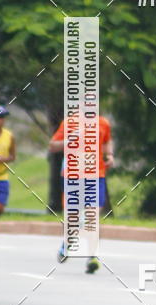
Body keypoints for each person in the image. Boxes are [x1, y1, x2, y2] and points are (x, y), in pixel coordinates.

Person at [49, 114, 114, 274]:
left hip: (96, 175)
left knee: (93, 217)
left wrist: (110, 155)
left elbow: (106, 142)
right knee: (74, 218)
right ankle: (68, 242)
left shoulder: (103, 123)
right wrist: (70, 140)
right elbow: (52, 146)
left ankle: (92, 257)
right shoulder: (70, 122)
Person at [0, 105, 16, 236]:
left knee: (0, 208)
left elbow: (13, 156)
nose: (2, 120)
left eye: (3, 117)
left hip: (1, 177)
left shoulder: (9, 136)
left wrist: (5, 159)